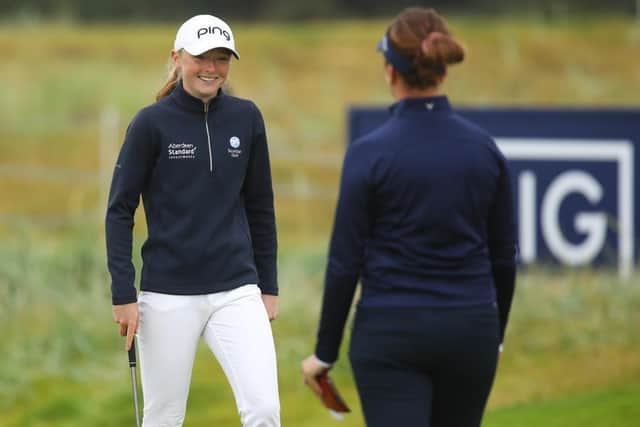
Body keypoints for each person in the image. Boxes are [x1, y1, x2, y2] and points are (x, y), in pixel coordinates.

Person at [301, 7, 517, 427]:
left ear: (389, 71)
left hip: (391, 334)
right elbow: (504, 257)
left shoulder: (369, 153)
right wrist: (496, 335)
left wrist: (325, 352)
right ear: (442, 70)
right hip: (471, 330)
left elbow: (345, 263)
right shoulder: (485, 150)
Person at [106, 14, 280, 427]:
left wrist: (268, 286)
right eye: (202, 57)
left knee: (264, 409)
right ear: (177, 58)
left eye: (222, 58)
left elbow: (261, 207)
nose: (211, 67)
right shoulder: (150, 124)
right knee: (164, 416)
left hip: (236, 288)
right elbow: (119, 210)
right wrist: (122, 294)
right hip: (167, 293)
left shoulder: (247, 118)